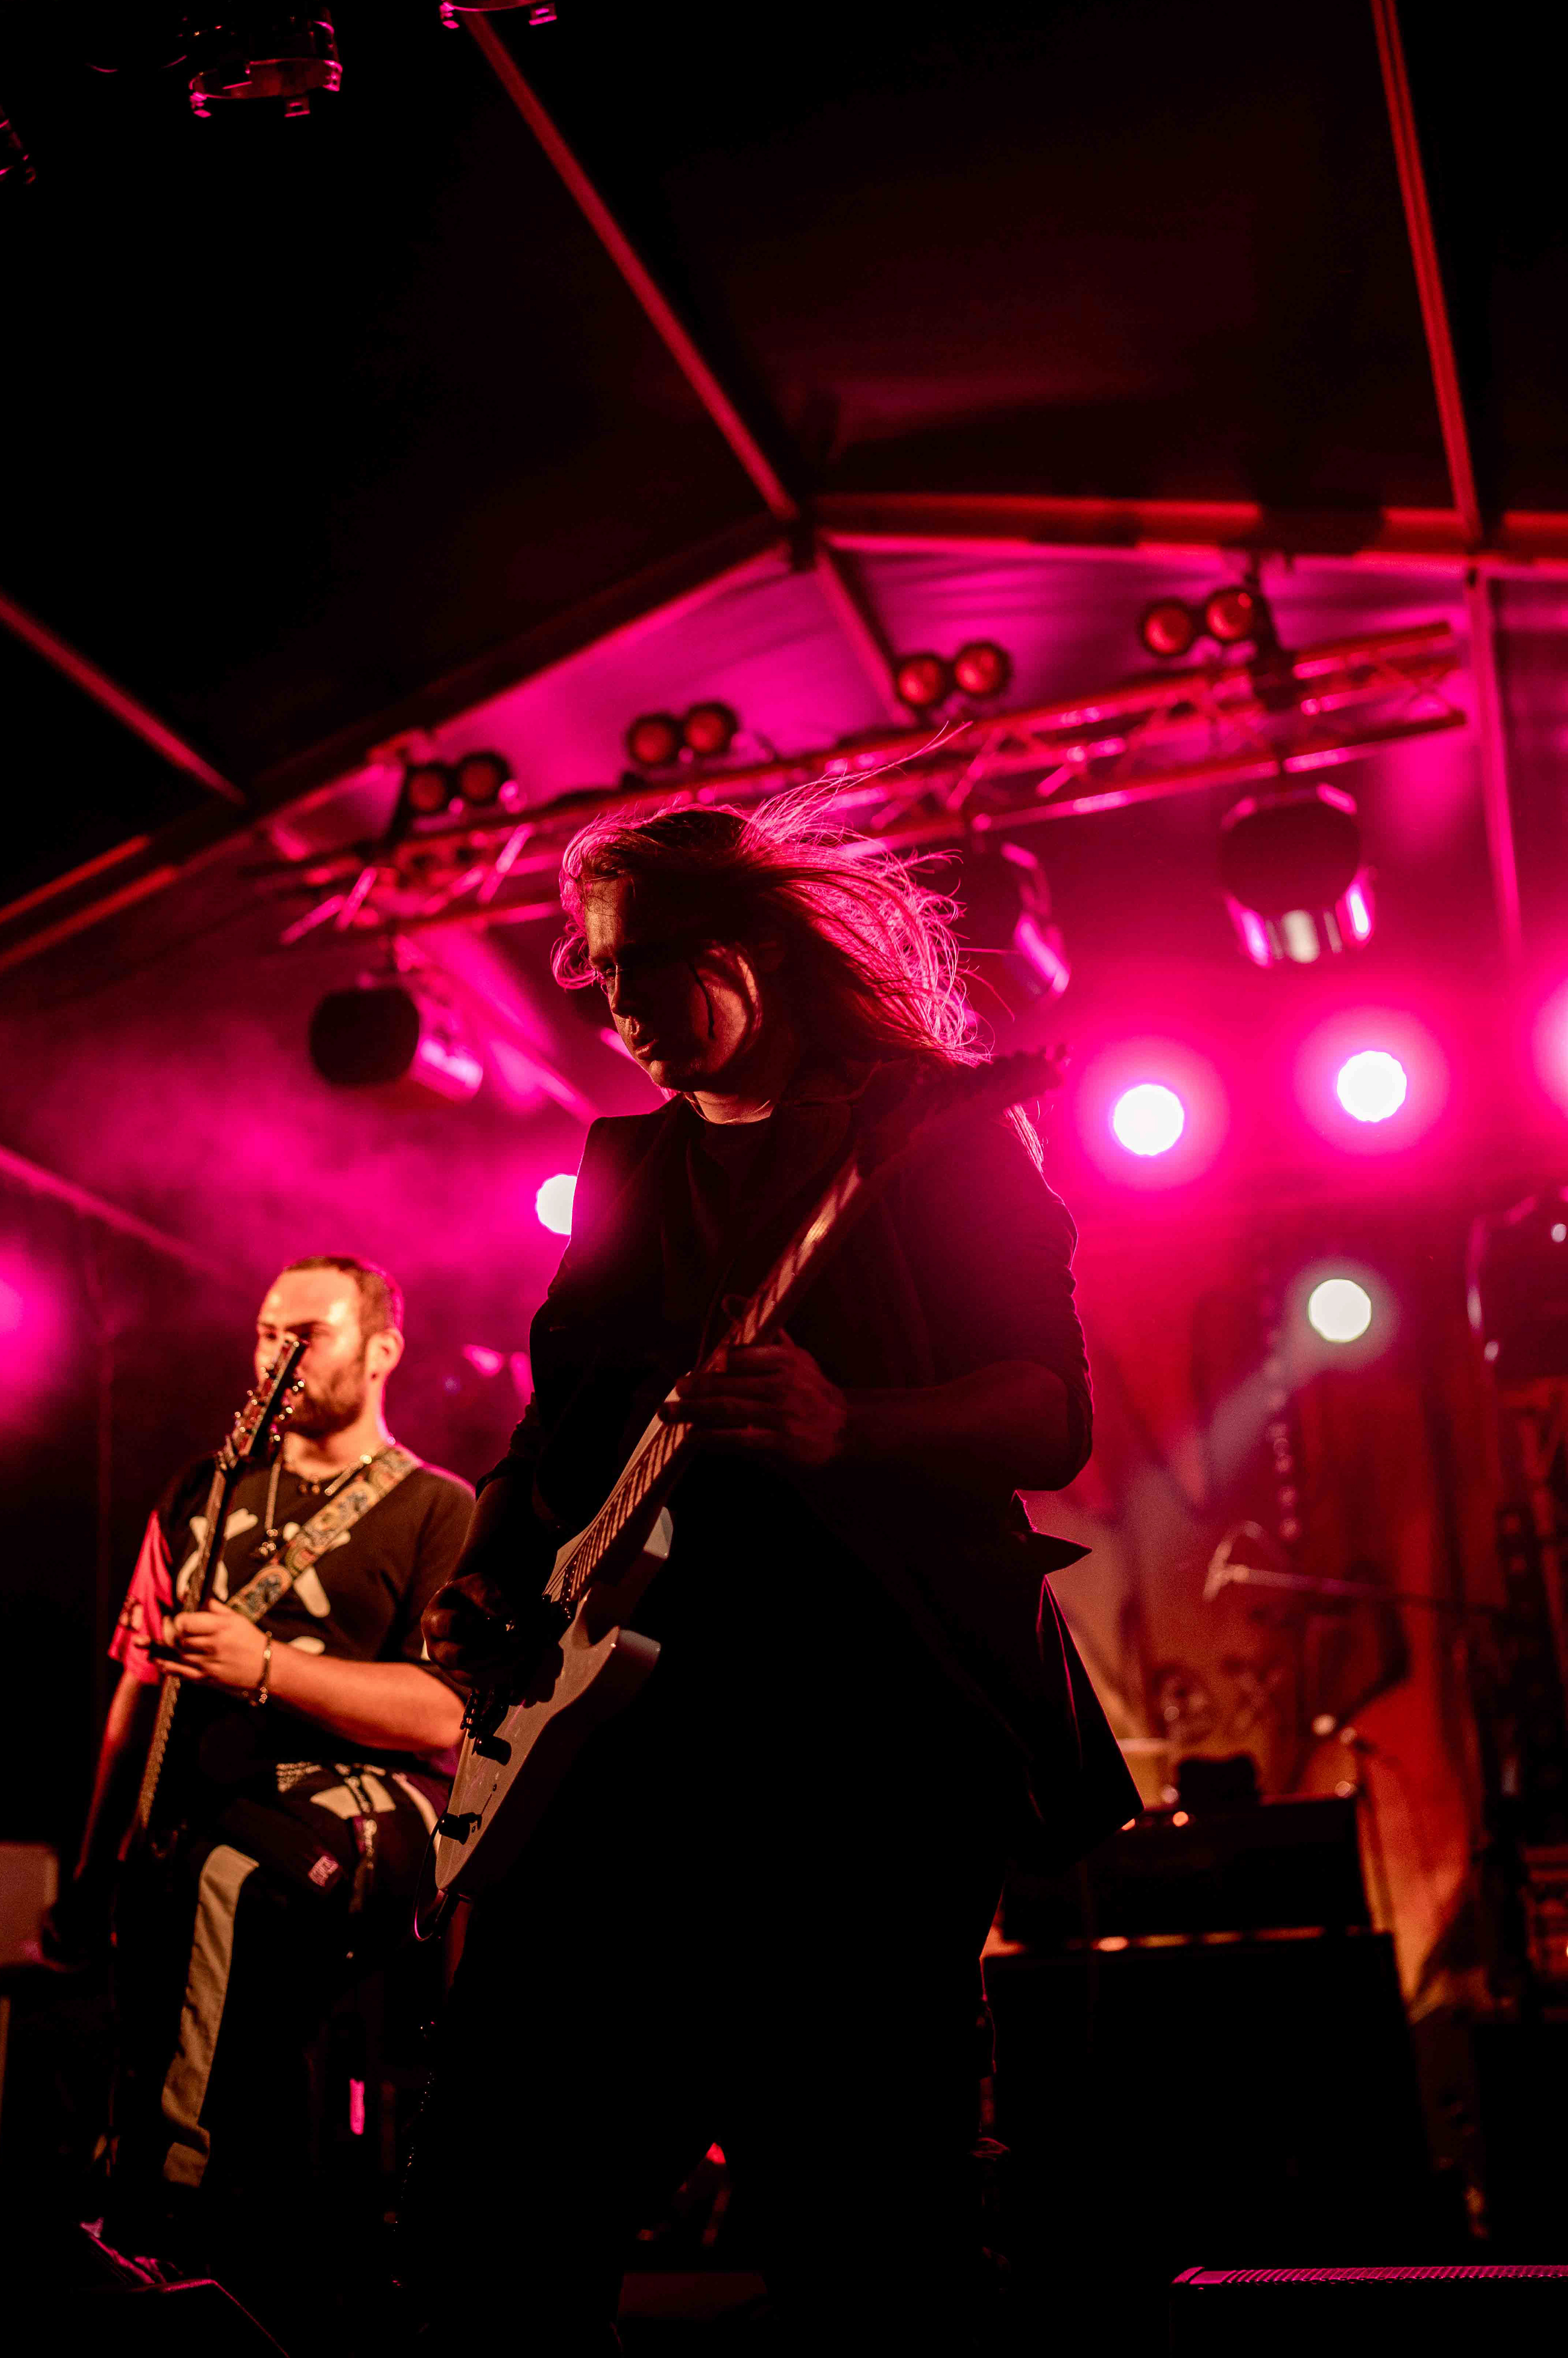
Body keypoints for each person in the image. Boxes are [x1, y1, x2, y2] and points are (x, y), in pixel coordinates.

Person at [414, 794, 1140, 2354]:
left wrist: (847, 1422)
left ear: (749, 949)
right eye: (597, 976)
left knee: (866, 2211)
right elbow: (557, 1425)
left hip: (865, 1732)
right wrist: (485, 1568)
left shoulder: (938, 1131)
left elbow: (1051, 1412)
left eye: (643, 967)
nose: (616, 1009)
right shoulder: (625, 1163)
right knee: (499, 2186)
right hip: (617, 1753)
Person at [50, 1255, 473, 2264]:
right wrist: (96, 1868)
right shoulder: (200, 1491)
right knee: (174, 1883)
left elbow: (448, 1716)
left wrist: (270, 1669)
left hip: (374, 1807)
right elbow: (137, 1687)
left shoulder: (441, 1509)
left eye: (307, 1336)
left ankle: (173, 2206)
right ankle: (212, 2211)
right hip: (214, 1804)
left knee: (228, 1877)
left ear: (382, 1352)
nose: (278, 1357)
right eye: (267, 1334)